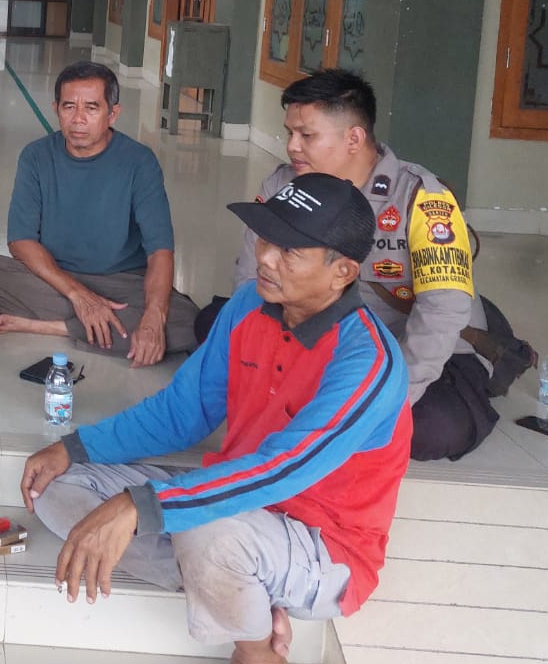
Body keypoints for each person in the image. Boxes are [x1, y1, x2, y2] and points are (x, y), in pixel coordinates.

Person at [20, 173, 410, 664]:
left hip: (321, 544)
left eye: (290, 251)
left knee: (207, 528)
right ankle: (242, 594)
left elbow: (280, 471)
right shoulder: (249, 305)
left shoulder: (367, 361)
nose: (266, 258)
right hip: (233, 504)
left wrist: (142, 506)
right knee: (57, 488)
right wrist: (76, 448)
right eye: (266, 239)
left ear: (343, 271)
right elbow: (180, 413)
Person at [205, 68, 531, 462]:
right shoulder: (283, 185)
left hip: (409, 341)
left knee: (431, 428)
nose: (291, 146)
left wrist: (388, 401)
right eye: (289, 133)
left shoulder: (423, 199)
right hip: (327, 333)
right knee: (215, 326)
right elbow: (251, 280)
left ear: (354, 139)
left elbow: (442, 311)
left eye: (306, 135)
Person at [0, 61, 198, 365]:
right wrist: (78, 295)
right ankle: (97, 324)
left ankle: (56, 327)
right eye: (68, 107)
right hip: (54, 278)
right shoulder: (36, 156)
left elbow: (160, 251)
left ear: (112, 113)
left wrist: (154, 316)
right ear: (56, 109)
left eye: (91, 108)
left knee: (191, 322)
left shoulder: (139, 162)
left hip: (122, 282)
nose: (78, 119)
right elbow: (21, 241)